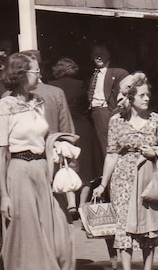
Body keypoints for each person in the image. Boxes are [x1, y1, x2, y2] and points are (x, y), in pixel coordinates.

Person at [0, 51, 73, 270]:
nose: (39, 75)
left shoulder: (39, 101)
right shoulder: (5, 105)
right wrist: (5, 196)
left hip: (42, 171)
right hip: (19, 172)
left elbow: (45, 137)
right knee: (27, 232)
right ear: (20, 73)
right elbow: (0, 153)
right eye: (35, 71)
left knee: (52, 232)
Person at [92, 73, 158, 270]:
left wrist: (155, 152)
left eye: (148, 95)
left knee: (148, 225)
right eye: (142, 95)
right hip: (123, 180)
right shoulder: (116, 121)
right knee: (123, 225)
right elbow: (112, 154)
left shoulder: (156, 120)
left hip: (149, 177)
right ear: (130, 98)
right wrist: (103, 184)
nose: (147, 98)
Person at [50, 56, 103, 206]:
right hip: (81, 126)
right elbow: (87, 105)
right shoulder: (80, 84)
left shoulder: (52, 85)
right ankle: (81, 205)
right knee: (86, 167)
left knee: (65, 164)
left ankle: (70, 203)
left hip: (63, 127)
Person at [88, 44, 128, 153]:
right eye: (96, 54)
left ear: (108, 55)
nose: (99, 57)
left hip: (106, 112)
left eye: (102, 54)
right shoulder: (94, 74)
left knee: (108, 146)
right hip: (94, 113)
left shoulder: (118, 72)